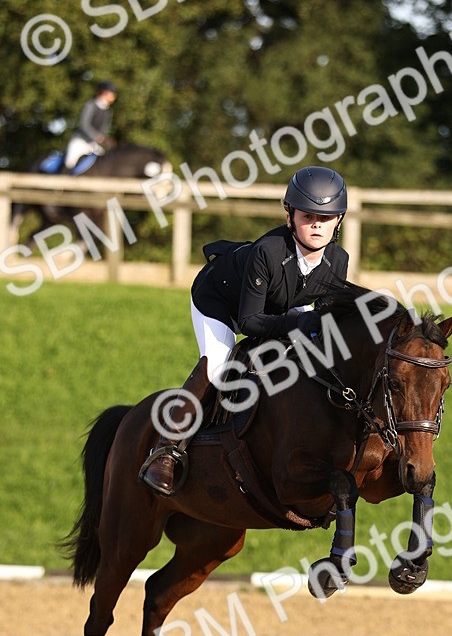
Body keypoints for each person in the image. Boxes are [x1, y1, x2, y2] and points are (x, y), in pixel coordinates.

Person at [139, 164, 350, 496]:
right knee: (218, 364)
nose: (316, 224)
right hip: (220, 300)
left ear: (338, 220)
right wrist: (299, 322)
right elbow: (250, 322)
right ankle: (166, 451)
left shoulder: (338, 261)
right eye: (307, 216)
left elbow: (319, 320)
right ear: (290, 215)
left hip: (280, 304)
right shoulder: (269, 251)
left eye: (325, 217)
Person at [64, 82, 118, 170]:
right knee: (69, 163)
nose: (114, 97)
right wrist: (97, 136)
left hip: (93, 145)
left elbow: (105, 130)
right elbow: (84, 124)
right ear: (104, 92)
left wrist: (105, 139)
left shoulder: (108, 112)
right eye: (112, 93)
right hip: (80, 141)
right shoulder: (90, 105)